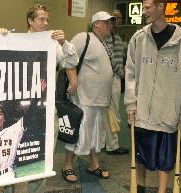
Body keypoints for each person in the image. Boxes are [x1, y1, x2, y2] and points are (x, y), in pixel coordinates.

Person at [0, 4, 79, 193]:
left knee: (42, 158)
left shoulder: (53, 44)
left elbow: (71, 62)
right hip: (17, 112)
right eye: (41, 19)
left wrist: (64, 43)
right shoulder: (15, 41)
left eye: (47, 19)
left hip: (46, 111)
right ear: (30, 21)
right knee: (11, 156)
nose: (46, 23)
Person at [124, 0, 181, 193]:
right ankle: (141, 187)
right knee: (141, 155)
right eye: (143, 8)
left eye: (148, 7)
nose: (144, 12)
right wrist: (130, 104)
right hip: (142, 111)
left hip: (168, 112)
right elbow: (130, 74)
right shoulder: (138, 38)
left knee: (165, 159)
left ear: (161, 6)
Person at [63, 11, 114, 182]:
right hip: (83, 97)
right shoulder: (82, 37)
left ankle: (94, 164)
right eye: (106, 22)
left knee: (96, 134)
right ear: (96, 24)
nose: (110, 25)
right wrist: (74, 82)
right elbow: (67, 58)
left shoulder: (103, 42)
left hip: (99, 100)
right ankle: (67, 165)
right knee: (78, 132)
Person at [104, 10, 129, 155]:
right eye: (115, 18)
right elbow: (110, 59)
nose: (118, 21)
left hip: (115, 79)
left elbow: (122, 57)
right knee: (113, 113)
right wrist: (121, 73)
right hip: (111, 79)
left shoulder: (117, 38)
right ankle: (112, 146)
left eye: (120, 18)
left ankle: (106, 143)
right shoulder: (108, 38)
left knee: (109, 112)